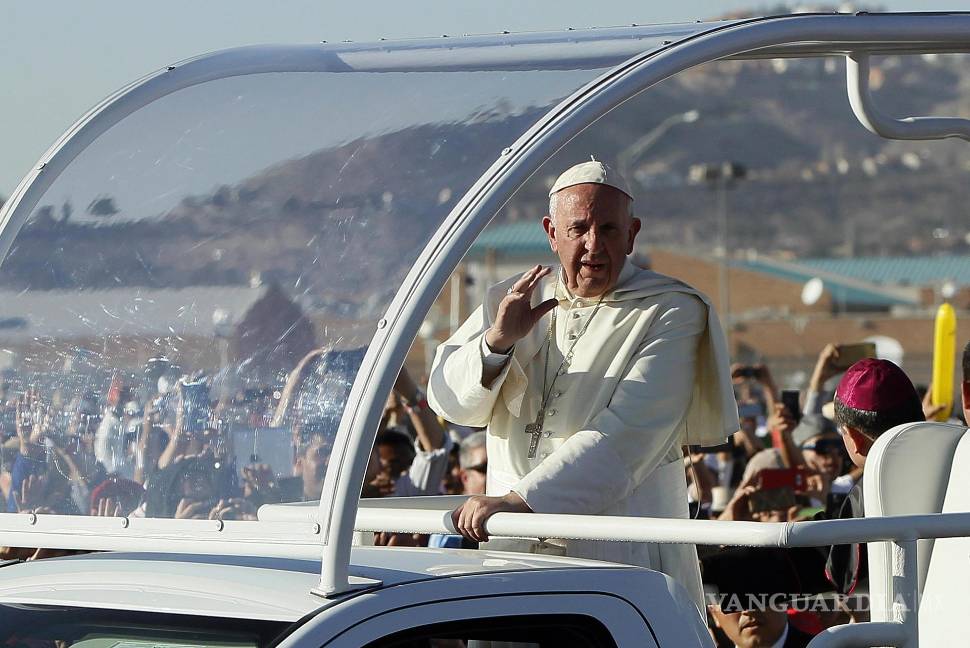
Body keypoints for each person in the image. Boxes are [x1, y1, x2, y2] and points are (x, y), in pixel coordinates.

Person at [427, 160, 738, 608]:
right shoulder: (514, 298)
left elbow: (629, 432)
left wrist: (521, 501)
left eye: (608, 229)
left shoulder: (671, 309)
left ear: (631, 234)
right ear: (552, 233)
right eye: (578, 229)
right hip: (510, 545)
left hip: (615, 550)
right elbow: (452, 404)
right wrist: (497, 343)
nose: (594, 244)